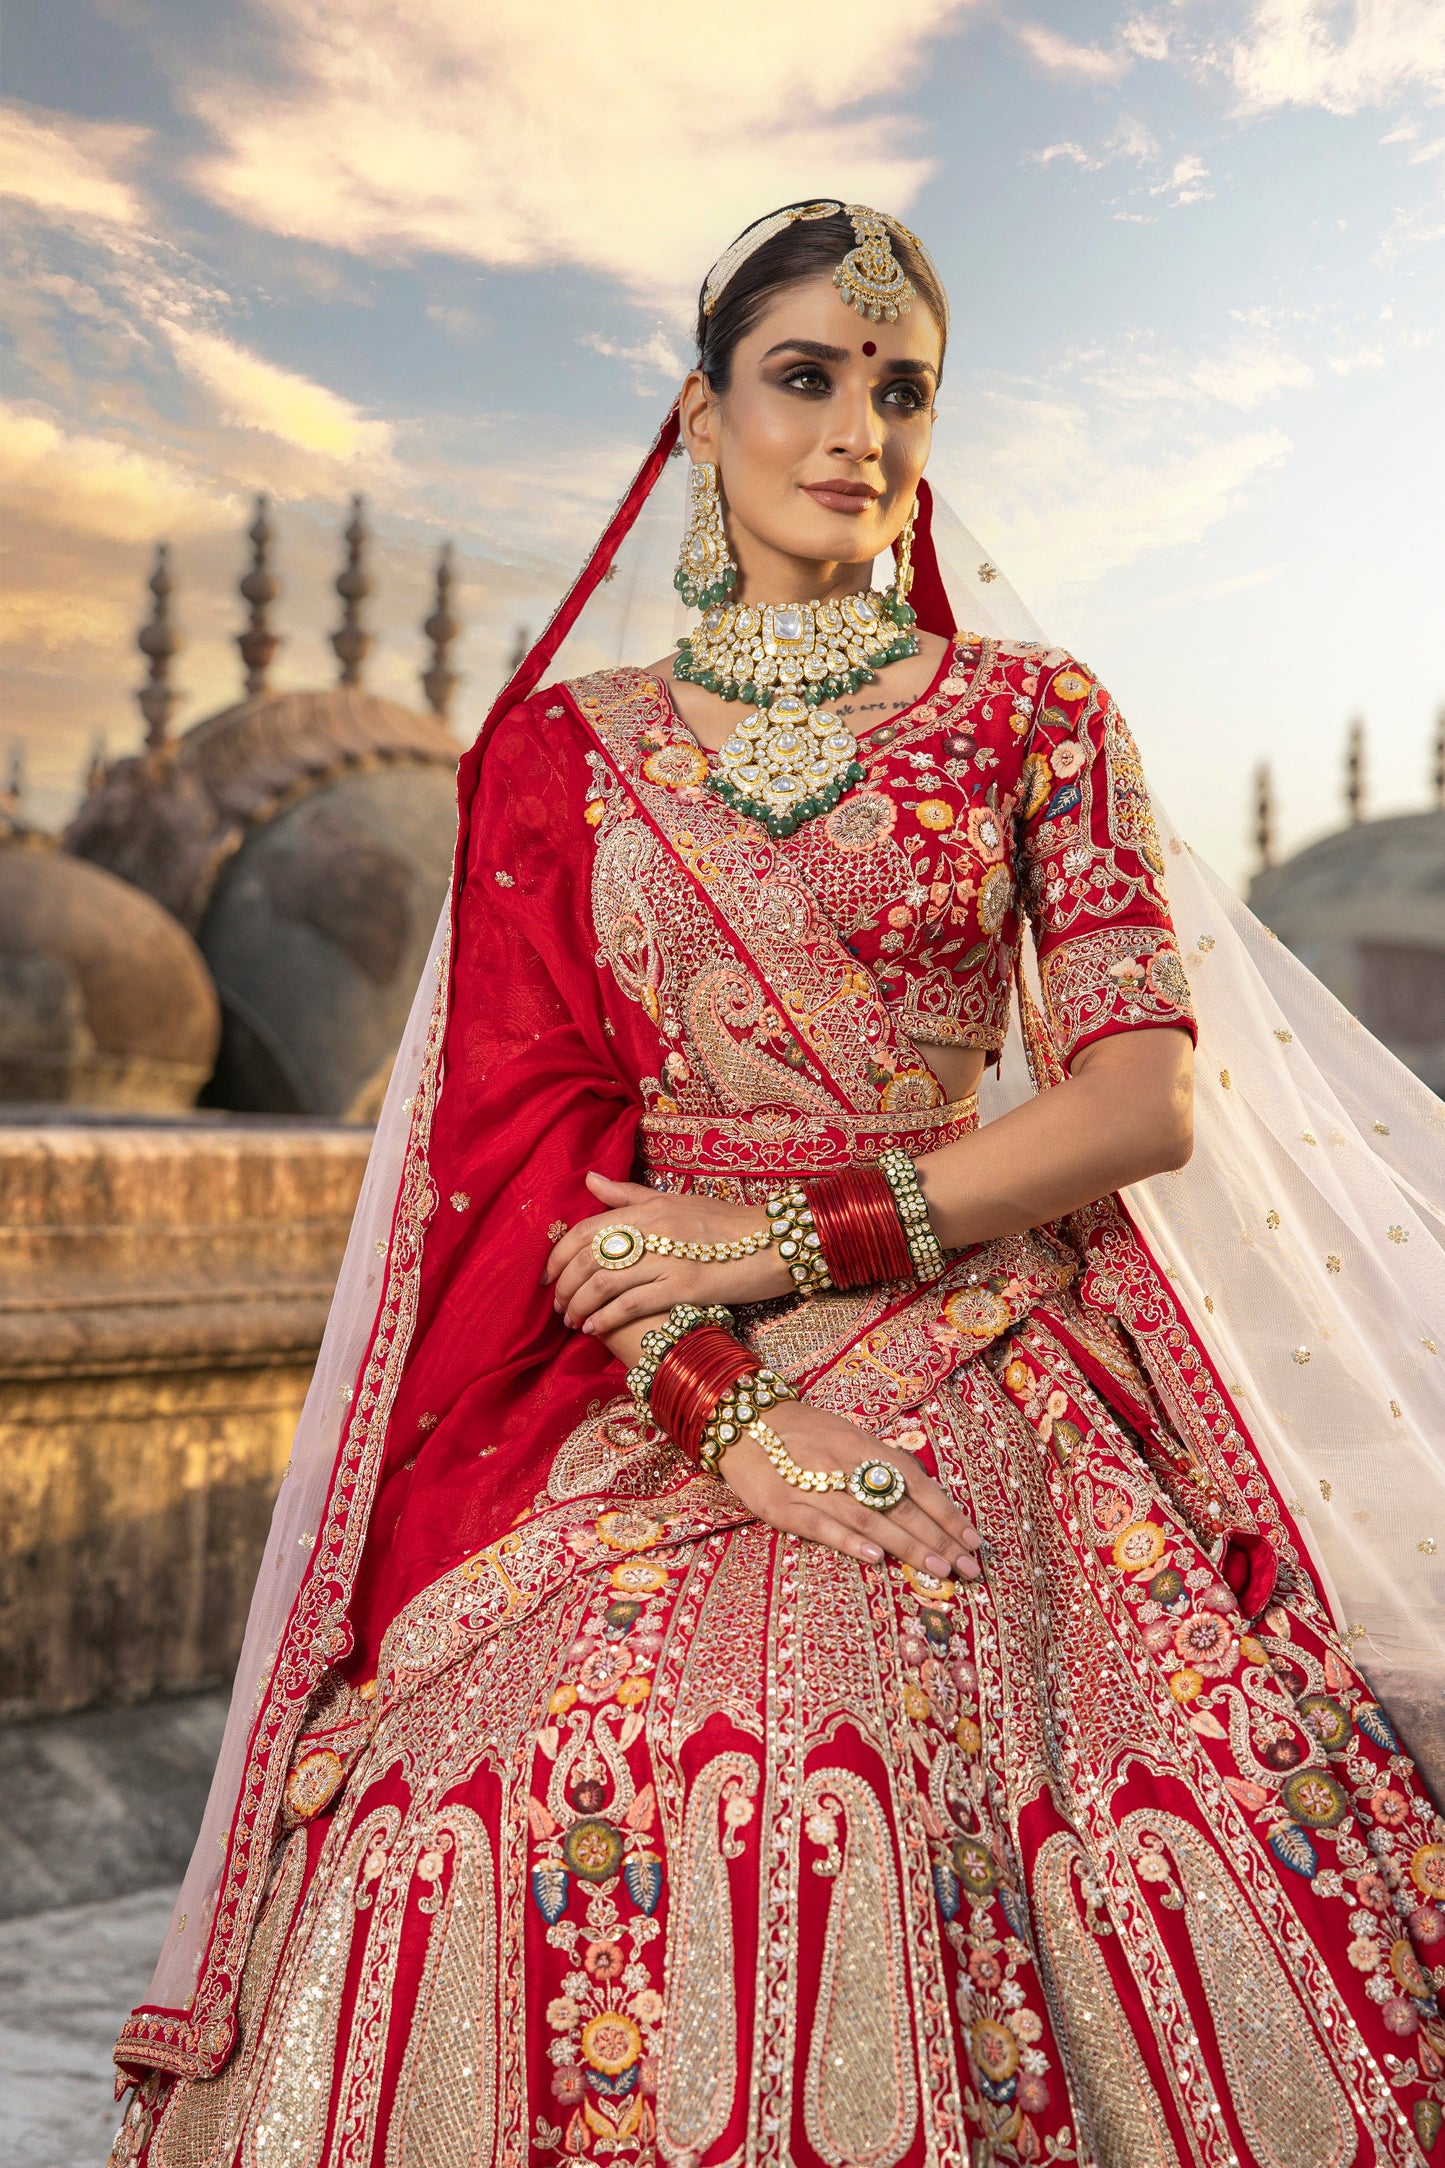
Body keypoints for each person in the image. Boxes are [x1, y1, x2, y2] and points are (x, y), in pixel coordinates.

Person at [112, 202, 1445, 2168]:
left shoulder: (1031, 715)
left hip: (983, 1326)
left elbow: (1142, 1100)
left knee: (958, 1711)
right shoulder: (568, 757)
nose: (858, 431)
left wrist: (793, 1239)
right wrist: (729, 1402)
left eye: (900, 388)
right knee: (523, 1748)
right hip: (637, 1367)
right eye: (805, 377)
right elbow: (523, 1167)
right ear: (701, 415)